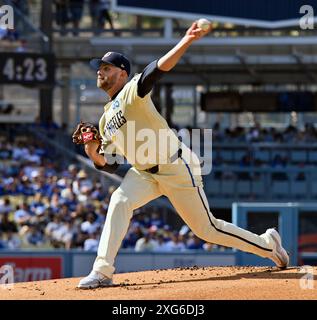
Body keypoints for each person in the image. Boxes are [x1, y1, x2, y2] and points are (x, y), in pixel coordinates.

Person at [74, 21, 289, 289]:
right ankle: (102, 271)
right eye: (99, 69)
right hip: (143, 173)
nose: (100, 72)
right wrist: (93, 153)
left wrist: (186, 40)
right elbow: (110, 165)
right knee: (119, 200)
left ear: (122, 73)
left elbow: (157, 69)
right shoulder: (105, 120)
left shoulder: (132, 91)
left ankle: (268, 246)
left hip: (175, 166)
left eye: (105, 68)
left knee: (206, 229)